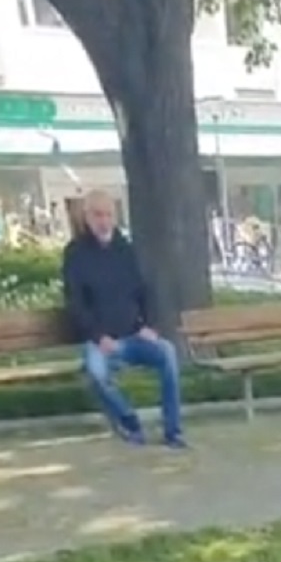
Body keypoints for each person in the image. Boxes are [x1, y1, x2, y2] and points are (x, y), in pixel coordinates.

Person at [62, 188, 186, 448]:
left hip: (133, 336)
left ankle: (173, 431)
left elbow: (144, 292)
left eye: (108, 214)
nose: (103, 221)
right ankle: (129, 421)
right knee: (96, 373)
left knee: (168, 353)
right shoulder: (75, 254)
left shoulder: (127, 251)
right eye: (97, 215)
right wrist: (97, 336)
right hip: (101, 340)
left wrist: (149, 326)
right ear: (87, 217)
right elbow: (75, 303)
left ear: (115, 216)